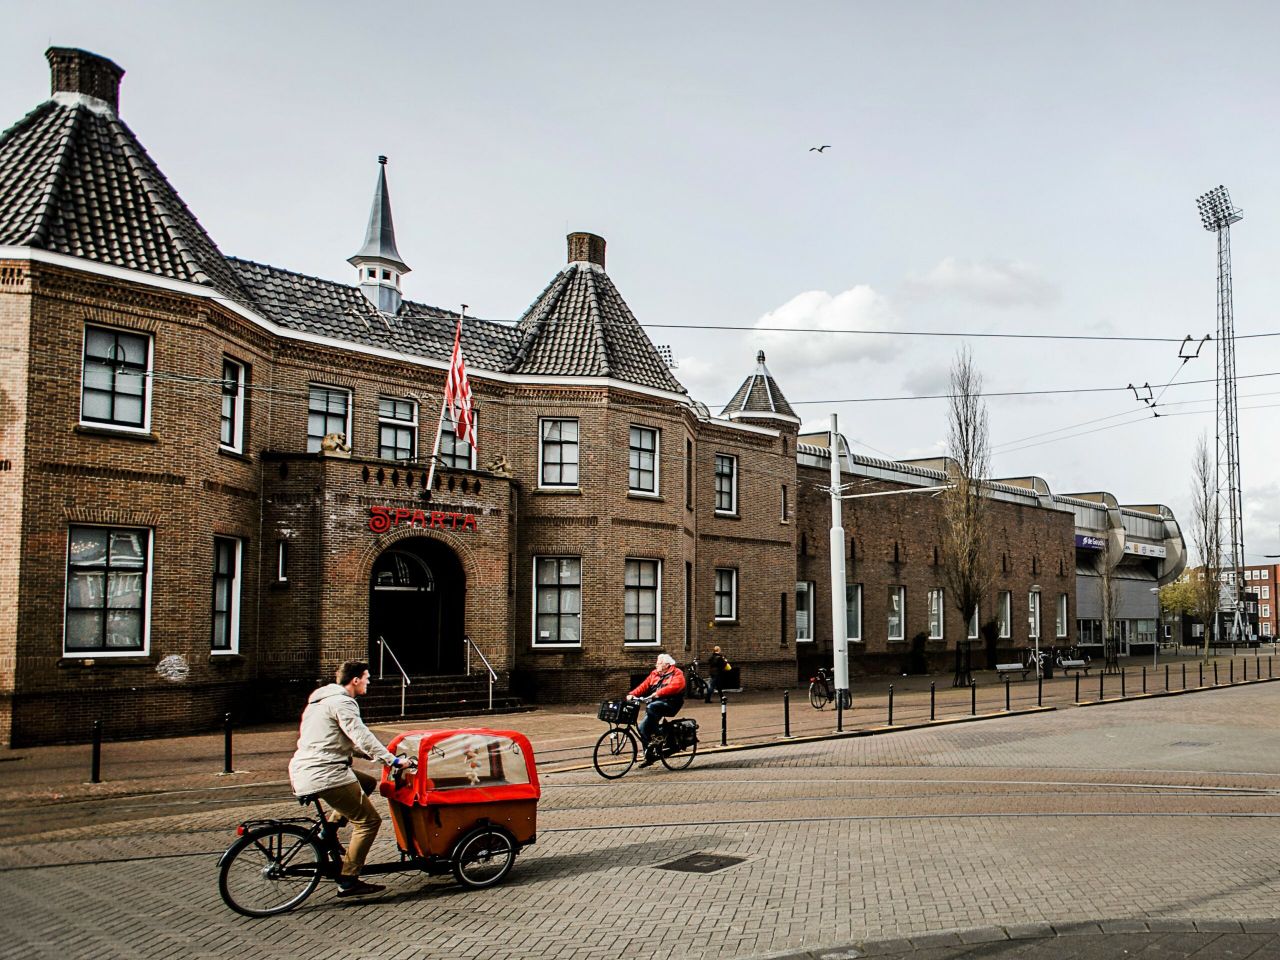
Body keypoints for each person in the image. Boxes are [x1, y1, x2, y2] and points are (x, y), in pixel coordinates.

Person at [288, 660, 410, 898]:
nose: (369, 682)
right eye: (367, 677)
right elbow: (360, 735)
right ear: (355, 680)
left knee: (366, 783)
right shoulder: (343, 703)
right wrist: (392, 761)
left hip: (307, 768)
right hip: (325, 773)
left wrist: (372, 754)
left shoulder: (319, 701)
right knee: (369, 822)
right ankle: (349, 879)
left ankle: (329, 831)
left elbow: (338, 740)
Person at [628, 653, 686, 767]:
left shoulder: (677, 673)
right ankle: (649, 756)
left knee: (651, 707)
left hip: (671, 703)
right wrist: (632, 694)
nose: (656, 665)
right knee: (642, 728)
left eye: (659, 663)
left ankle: (658, 737)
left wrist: (658, 693)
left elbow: (675, 686)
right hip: (656, 704)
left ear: (667, 665)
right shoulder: (654, 674)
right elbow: (643, 686)